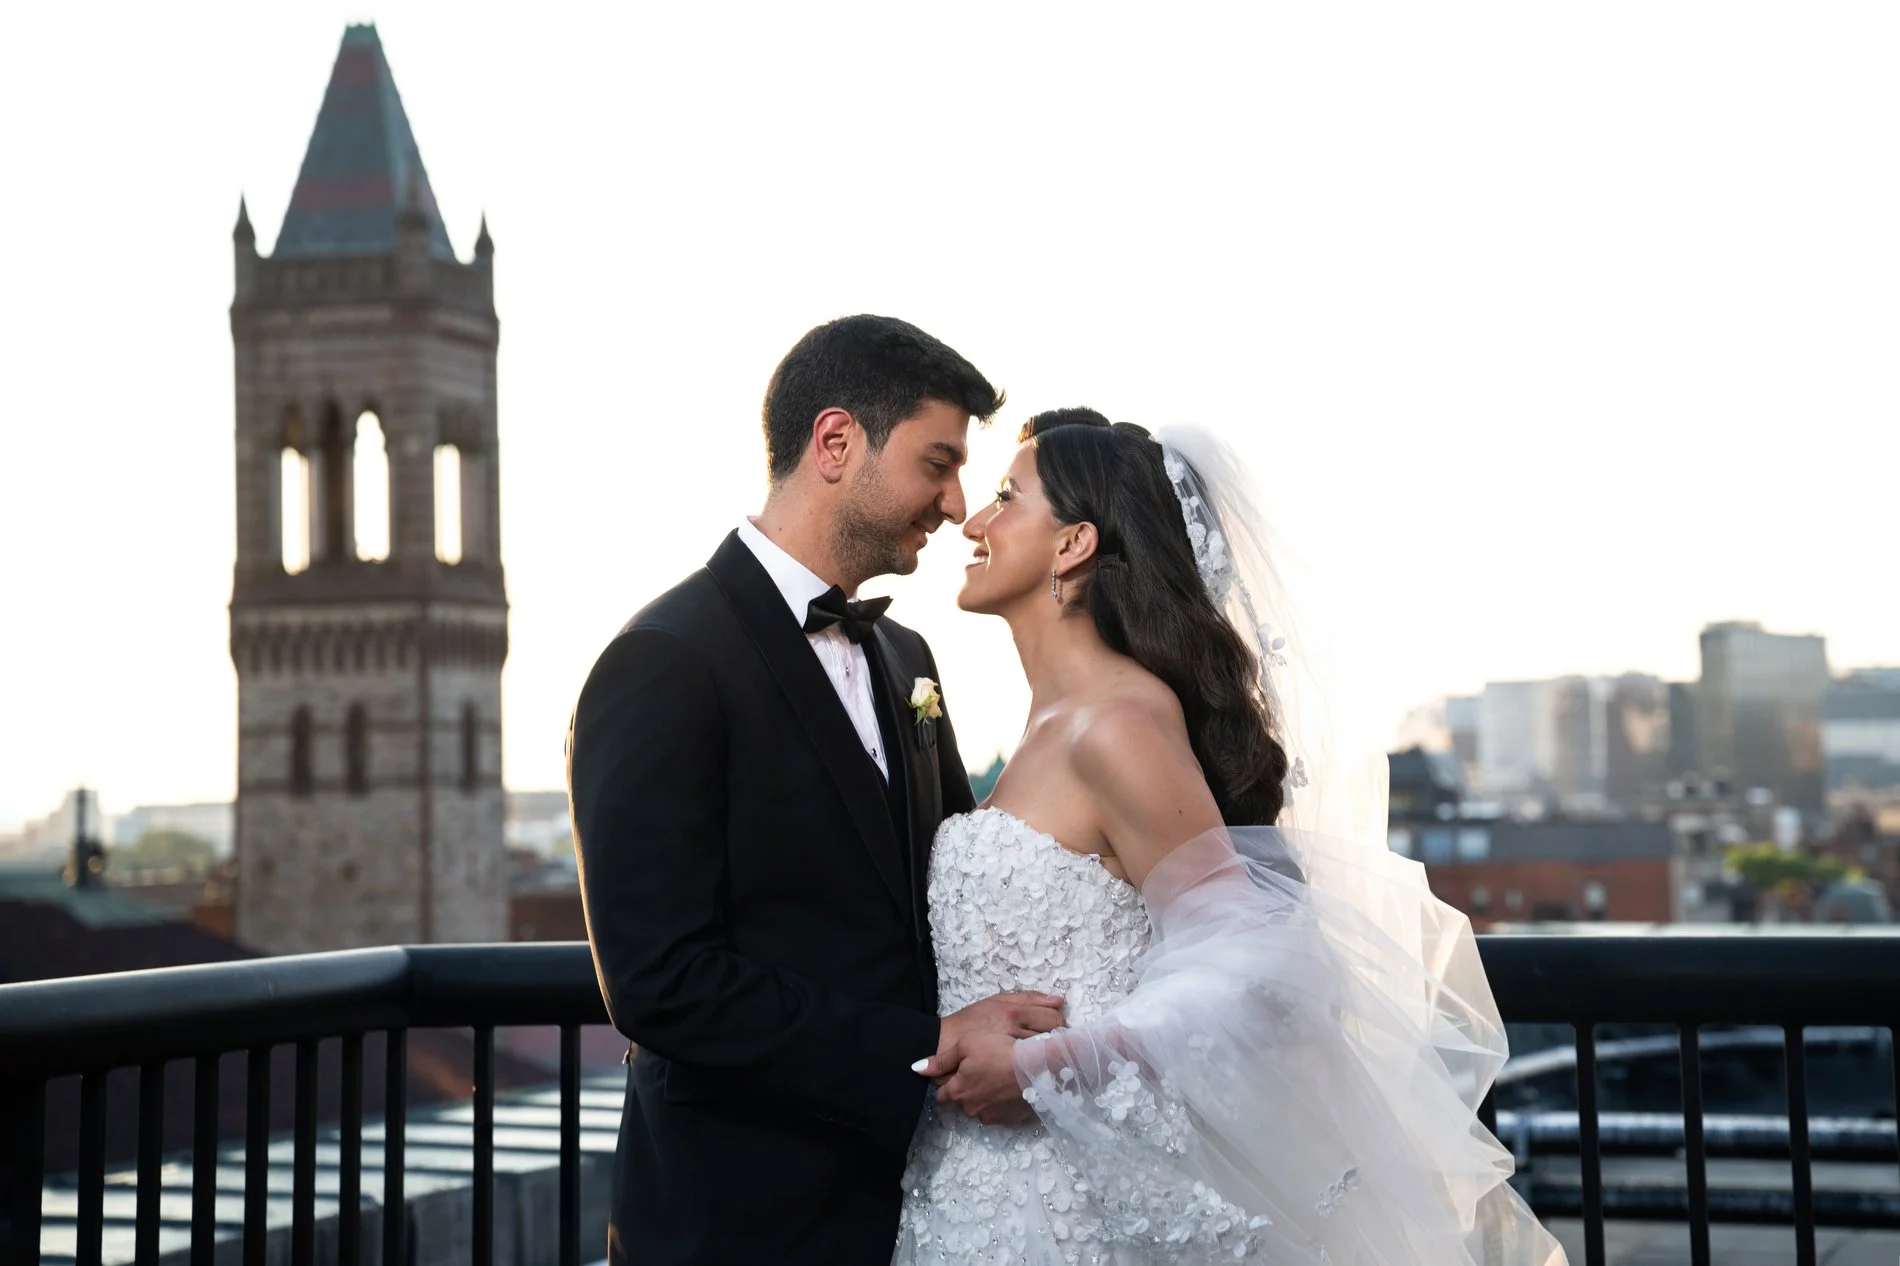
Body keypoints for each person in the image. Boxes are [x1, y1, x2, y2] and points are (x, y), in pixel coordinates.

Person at [895, 409, 1566, 1264]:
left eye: (1005, 496)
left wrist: (1048, 1068)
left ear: (1073, 546)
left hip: (1064, 1205)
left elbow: (1254, 969)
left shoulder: (1117, 723)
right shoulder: (1046, 727)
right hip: (969, 1192)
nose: (973, 520)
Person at [567, 316, 1067, 1266]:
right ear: (837, 443)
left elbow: (946, 885)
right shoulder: (662, 662)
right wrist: (922, 1047)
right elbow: (660, 981)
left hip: (918, 1203)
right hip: (739, 1215)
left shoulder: (906, 656)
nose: (959, 504)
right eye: (939, 462)